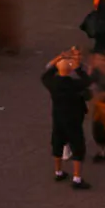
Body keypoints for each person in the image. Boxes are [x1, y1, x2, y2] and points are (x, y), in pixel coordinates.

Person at [42, 48, 93, 190]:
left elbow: (46, 74)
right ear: (70, 70)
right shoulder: (74, 85)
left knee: (57, 144)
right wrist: (77, 68)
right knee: (78, 147)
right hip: (74, 119)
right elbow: (87, 80)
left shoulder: (52, 84)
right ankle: (77, 179)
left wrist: (59, 58)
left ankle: (58, 172)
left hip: (58, 118)